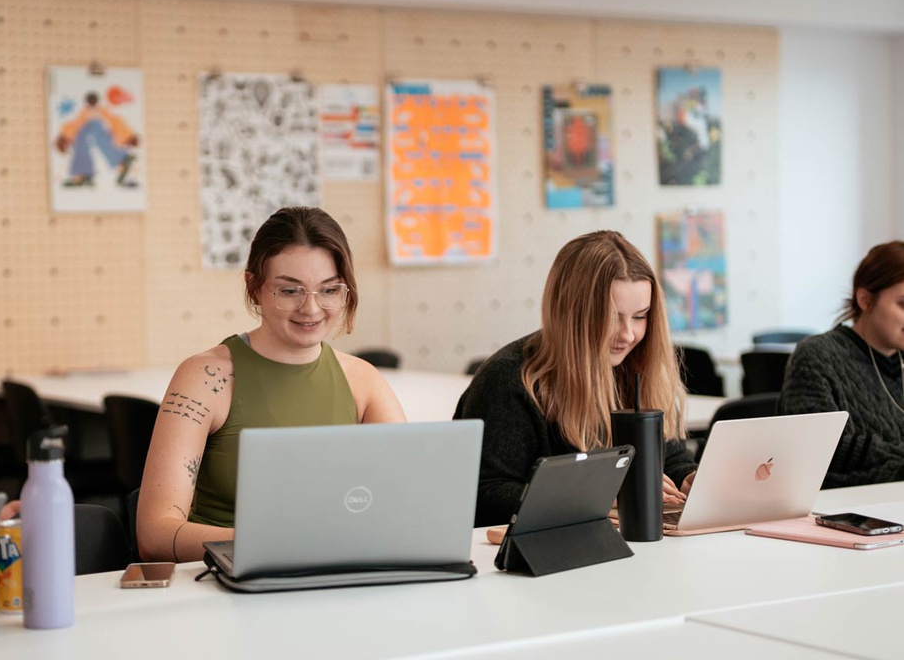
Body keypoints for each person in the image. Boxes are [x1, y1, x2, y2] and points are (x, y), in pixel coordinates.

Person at [136, 207, 405, 562]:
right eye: (290, 290)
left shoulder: (363, 381)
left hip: (333, 575)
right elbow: (155, 534)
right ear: (254, 287)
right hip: (220, 586)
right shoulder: (204, 379)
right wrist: (280, 545)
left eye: (329, 290)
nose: (311, 308)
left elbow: (405, 508)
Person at [455, 230, 697, 527]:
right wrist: (596, 492)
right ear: (571, 312)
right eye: (610, 318)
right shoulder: (509, 380)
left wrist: (689, 478)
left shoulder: (635, 367)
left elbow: (667, 456)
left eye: (640, 316)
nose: (628, 334)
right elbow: (486, 495)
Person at [779, 241, 904, 488]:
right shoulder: (818, 356)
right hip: (838, 508)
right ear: (865, 300)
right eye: (903, 304)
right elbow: (822, 451)